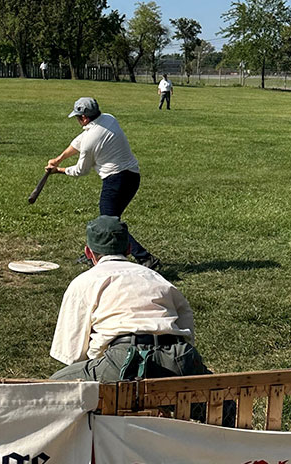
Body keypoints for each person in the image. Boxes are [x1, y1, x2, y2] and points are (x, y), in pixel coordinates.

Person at [50, 216, 210, 382]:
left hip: (123, 359)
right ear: (128, 249)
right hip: (178, 355)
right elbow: (186, 323)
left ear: (88, 252)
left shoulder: (84, 282)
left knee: (54, 385)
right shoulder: (156, 277)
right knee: (222, 393)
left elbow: (72, 354)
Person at [46, 97, 160, 270]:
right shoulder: (108, 118)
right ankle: (91, 254)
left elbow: (80, 170)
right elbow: (81, 139)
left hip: (116, 181)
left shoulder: (91, 141)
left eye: (78, 117)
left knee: (108, 224)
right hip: (133, 177)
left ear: (84, 118)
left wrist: (58, 170)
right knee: (110, 220)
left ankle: (145, 258)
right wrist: (59, 158)